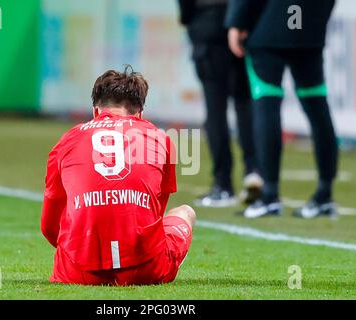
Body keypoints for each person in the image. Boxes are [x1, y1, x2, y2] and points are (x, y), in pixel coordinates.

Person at [40, 66, 196, 285]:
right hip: (147, 269)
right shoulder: (161, 138)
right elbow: (154, 216)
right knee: (185, 212)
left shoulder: (67, 140)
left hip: (76, 272)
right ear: (140, 113)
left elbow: (48, 227)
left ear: (95, 111)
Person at [225, 0, 339, 218]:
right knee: (317, 108)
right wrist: (316, 17)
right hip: (308, 28)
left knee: (267, 106)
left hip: (269, 26)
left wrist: (237, 21)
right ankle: (325, 195)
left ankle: (270, 195)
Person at [177, 0, 263, 208]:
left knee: (215, 110)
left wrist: (187, 16)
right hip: (242, 26)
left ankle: (223, 184)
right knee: (245, 104)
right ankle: (253, 171)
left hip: (208, 26)